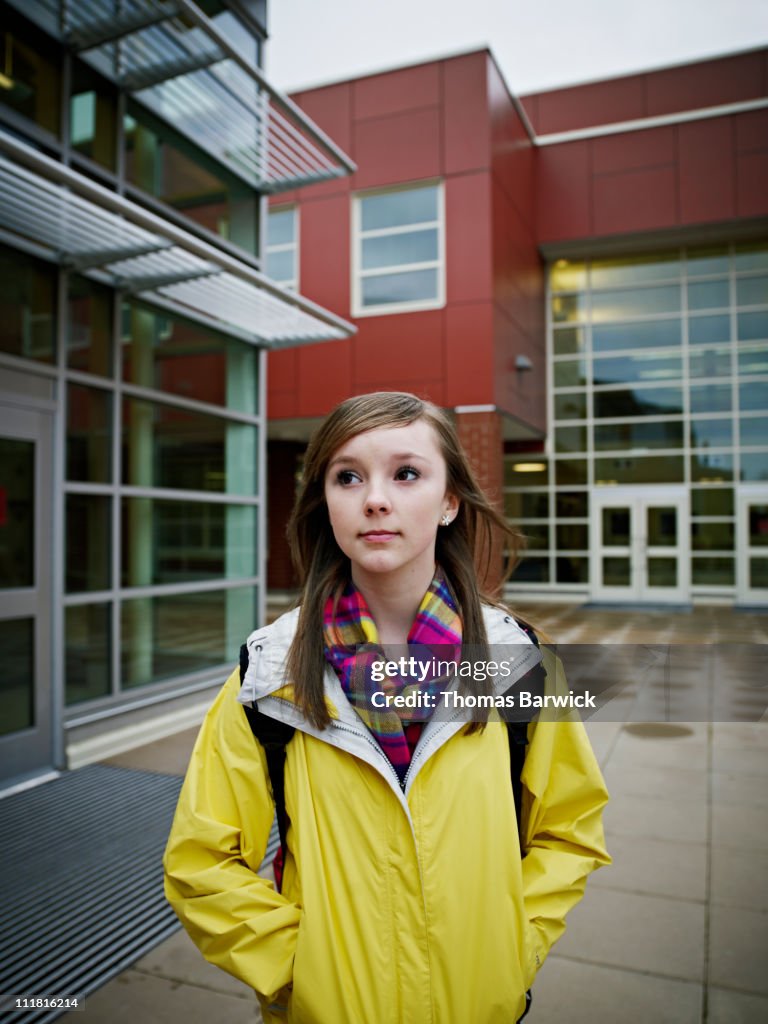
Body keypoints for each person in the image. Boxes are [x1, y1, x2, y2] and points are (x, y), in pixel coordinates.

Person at [164, 391, 610, 1024]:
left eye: (406, 473)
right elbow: (200, 860)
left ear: (450, 500)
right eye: (348, 476)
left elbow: (569, 828)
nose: (375, 498)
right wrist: (299, 971)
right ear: (327, 502)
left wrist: (515, 945)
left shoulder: (518, 664)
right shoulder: (269, 674)